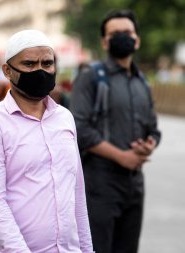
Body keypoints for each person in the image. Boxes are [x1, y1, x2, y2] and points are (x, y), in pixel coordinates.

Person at [0, 29, 94, 253]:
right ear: (7, 70)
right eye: (29, 64)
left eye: (47, 63)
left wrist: (86, 248)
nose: (40, 71)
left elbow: (76, 193)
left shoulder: (64, 118)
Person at [70, 9, 161, 253]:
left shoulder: (142, 81)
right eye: (115, 33)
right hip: (100, 184)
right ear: (104, 41)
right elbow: (79, 128)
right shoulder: (90, 77)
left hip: (134, 184)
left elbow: (153, 127)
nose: (122, 37)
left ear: (137, 39)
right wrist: (121, 156)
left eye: (127, 32)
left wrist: (149, 144)